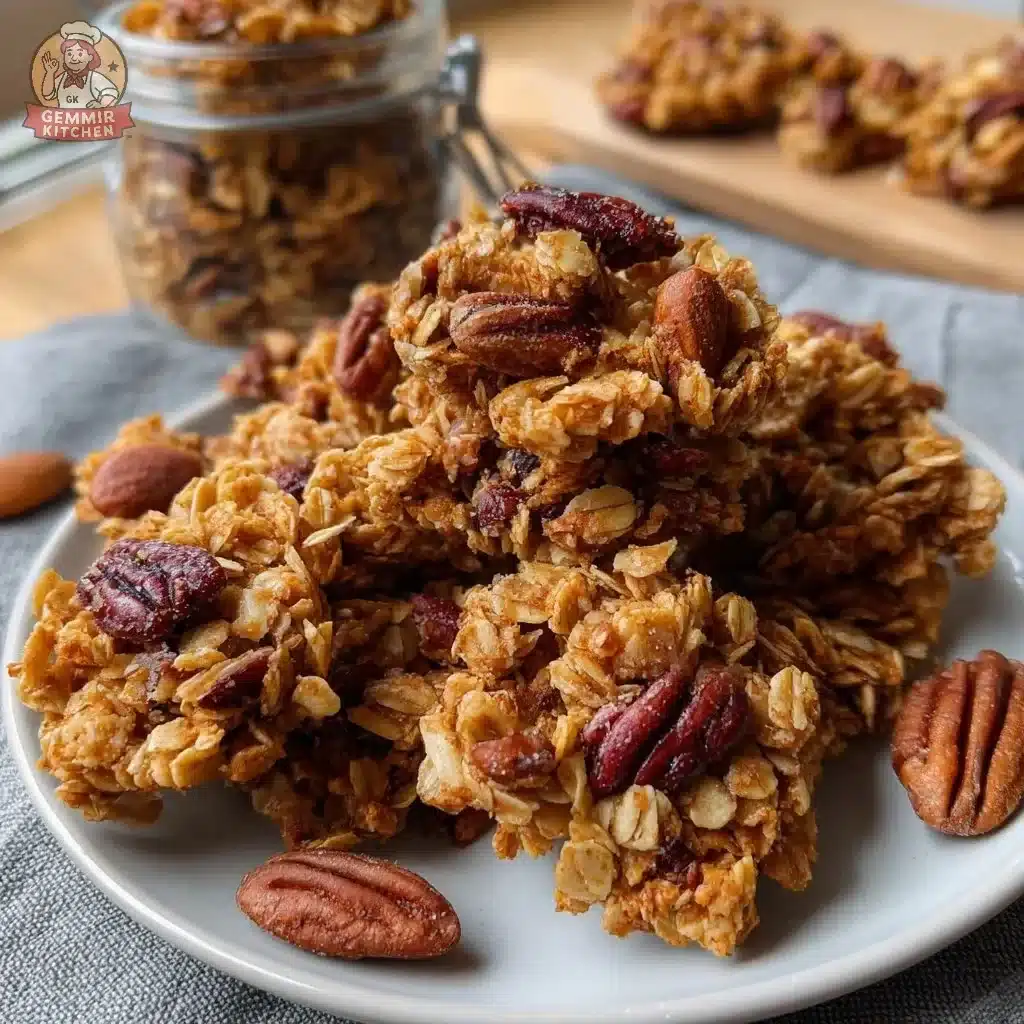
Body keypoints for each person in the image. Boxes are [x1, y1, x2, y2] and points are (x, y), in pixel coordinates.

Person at [40, 21, 119, 110]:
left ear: (90, 57)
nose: (74, 58)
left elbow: (111, 93)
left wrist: (101, 104)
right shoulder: (62, 78)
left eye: (80, 54)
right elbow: (48, 95)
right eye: (69, 54)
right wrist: (50, 73)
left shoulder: (94, 78)